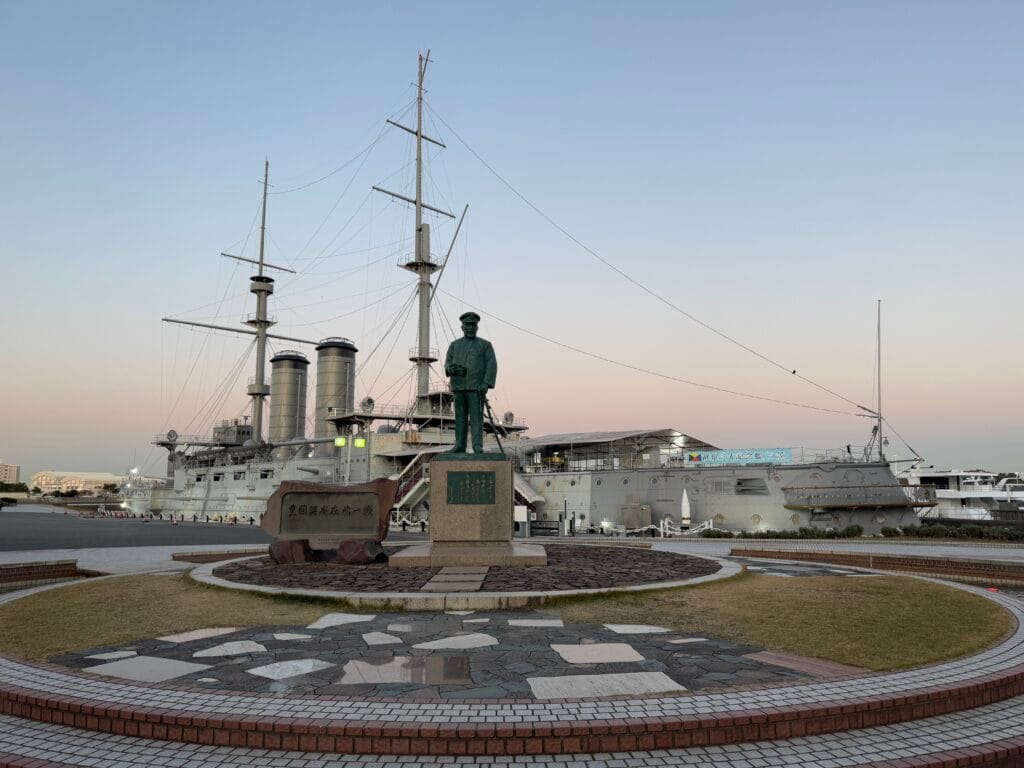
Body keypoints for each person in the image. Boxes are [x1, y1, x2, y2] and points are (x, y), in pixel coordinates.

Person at [444, 311, 497, 453]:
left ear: (477, 327)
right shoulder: (454, 345)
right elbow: (447, 364)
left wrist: (486, 383)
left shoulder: (485, 345)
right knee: (460, 418)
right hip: (459, 386)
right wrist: (451, 369)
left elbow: (492, 365)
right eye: (468, 325)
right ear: (462, 327)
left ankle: (477, 445)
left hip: (476, 387)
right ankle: (459, 444)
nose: (471, 328)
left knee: (476, 418)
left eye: (473, 325)